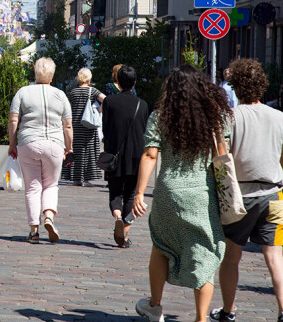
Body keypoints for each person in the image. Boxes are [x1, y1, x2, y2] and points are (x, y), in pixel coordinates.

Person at [133, 65, 232, 322]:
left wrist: (139, 193)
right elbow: (223, 154)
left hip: (168, 193)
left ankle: (155, 306)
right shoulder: (215, 117)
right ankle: (201, 318)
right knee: (205, 256)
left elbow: (150, 154)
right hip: (203, 194)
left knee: (161, 246)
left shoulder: (160, 116)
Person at [210, 59, 283, 322]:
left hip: (239, 197)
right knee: (275, 254)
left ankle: (228, 310)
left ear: (236, 85)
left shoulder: (228, 117)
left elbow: (222, 156)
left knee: (231, 256)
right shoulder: (279, 118)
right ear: (262, 85)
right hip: (273, 194)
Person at [8, 57, 73, 243]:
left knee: (32, 187)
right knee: (51, 185)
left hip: (28, 143)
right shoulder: (60, 95)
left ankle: (33, 231)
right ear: (52, 75)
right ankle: (49, 217)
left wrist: (12, 144)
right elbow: (67, 126)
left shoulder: (23, 92)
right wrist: (69, 148)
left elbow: (13, 120)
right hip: (54, 144)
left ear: (35, 73)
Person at [101, 66, 148, 247]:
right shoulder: (142, 104)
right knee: (130, 195)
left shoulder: (110, 102)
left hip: (115, 154)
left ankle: (117, 216)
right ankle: (125, 234)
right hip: (136, 155)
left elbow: (105, 128)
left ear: (118, 82)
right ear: (134, 83)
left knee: (115, 192)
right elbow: (144, 130)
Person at [61, 68, 106, 186]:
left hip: (75, 126)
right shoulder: (93, 91)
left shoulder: (73, 92)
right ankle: (86, 179)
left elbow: (67, 109)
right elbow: (106, 100)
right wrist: (100, 109)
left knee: (76, 151)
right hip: (88, 126)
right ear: (89, 79)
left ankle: (76, 179)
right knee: (88, 152)